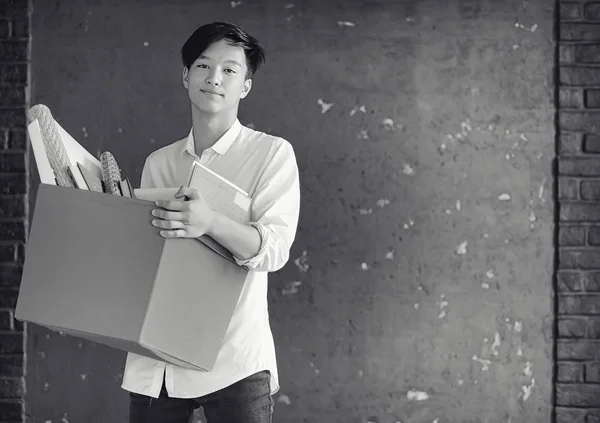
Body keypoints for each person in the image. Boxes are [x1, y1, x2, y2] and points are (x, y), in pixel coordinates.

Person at [121, 21, 301, 423]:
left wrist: (209, 222)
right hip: (158, 362)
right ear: (186, 76)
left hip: (234, 360)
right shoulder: (160, 163)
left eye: (230, 70)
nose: (214, 78)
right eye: (203, 66)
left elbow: (273, 249)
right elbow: (146, 257)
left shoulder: (271, 154)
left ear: (246, 86)